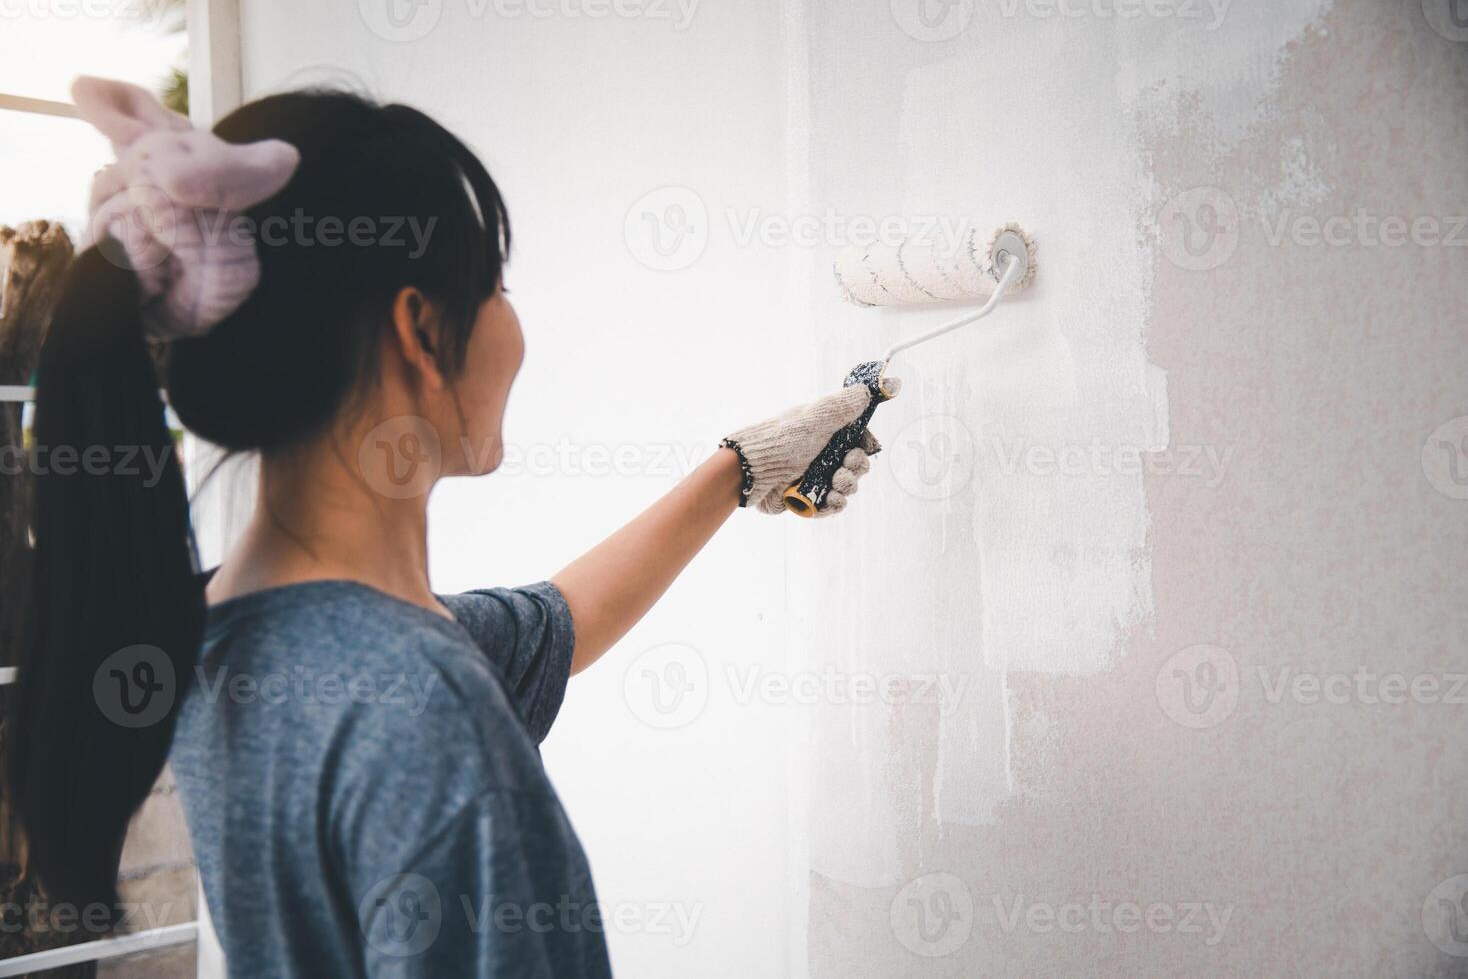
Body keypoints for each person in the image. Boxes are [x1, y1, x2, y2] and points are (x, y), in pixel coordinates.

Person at [3, 77, 895, 976]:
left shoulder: (233, 635)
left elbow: (554, 624)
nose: (514, 320)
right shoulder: (425, 708)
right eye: (495, 282)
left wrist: (740, 468)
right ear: (421, 328)